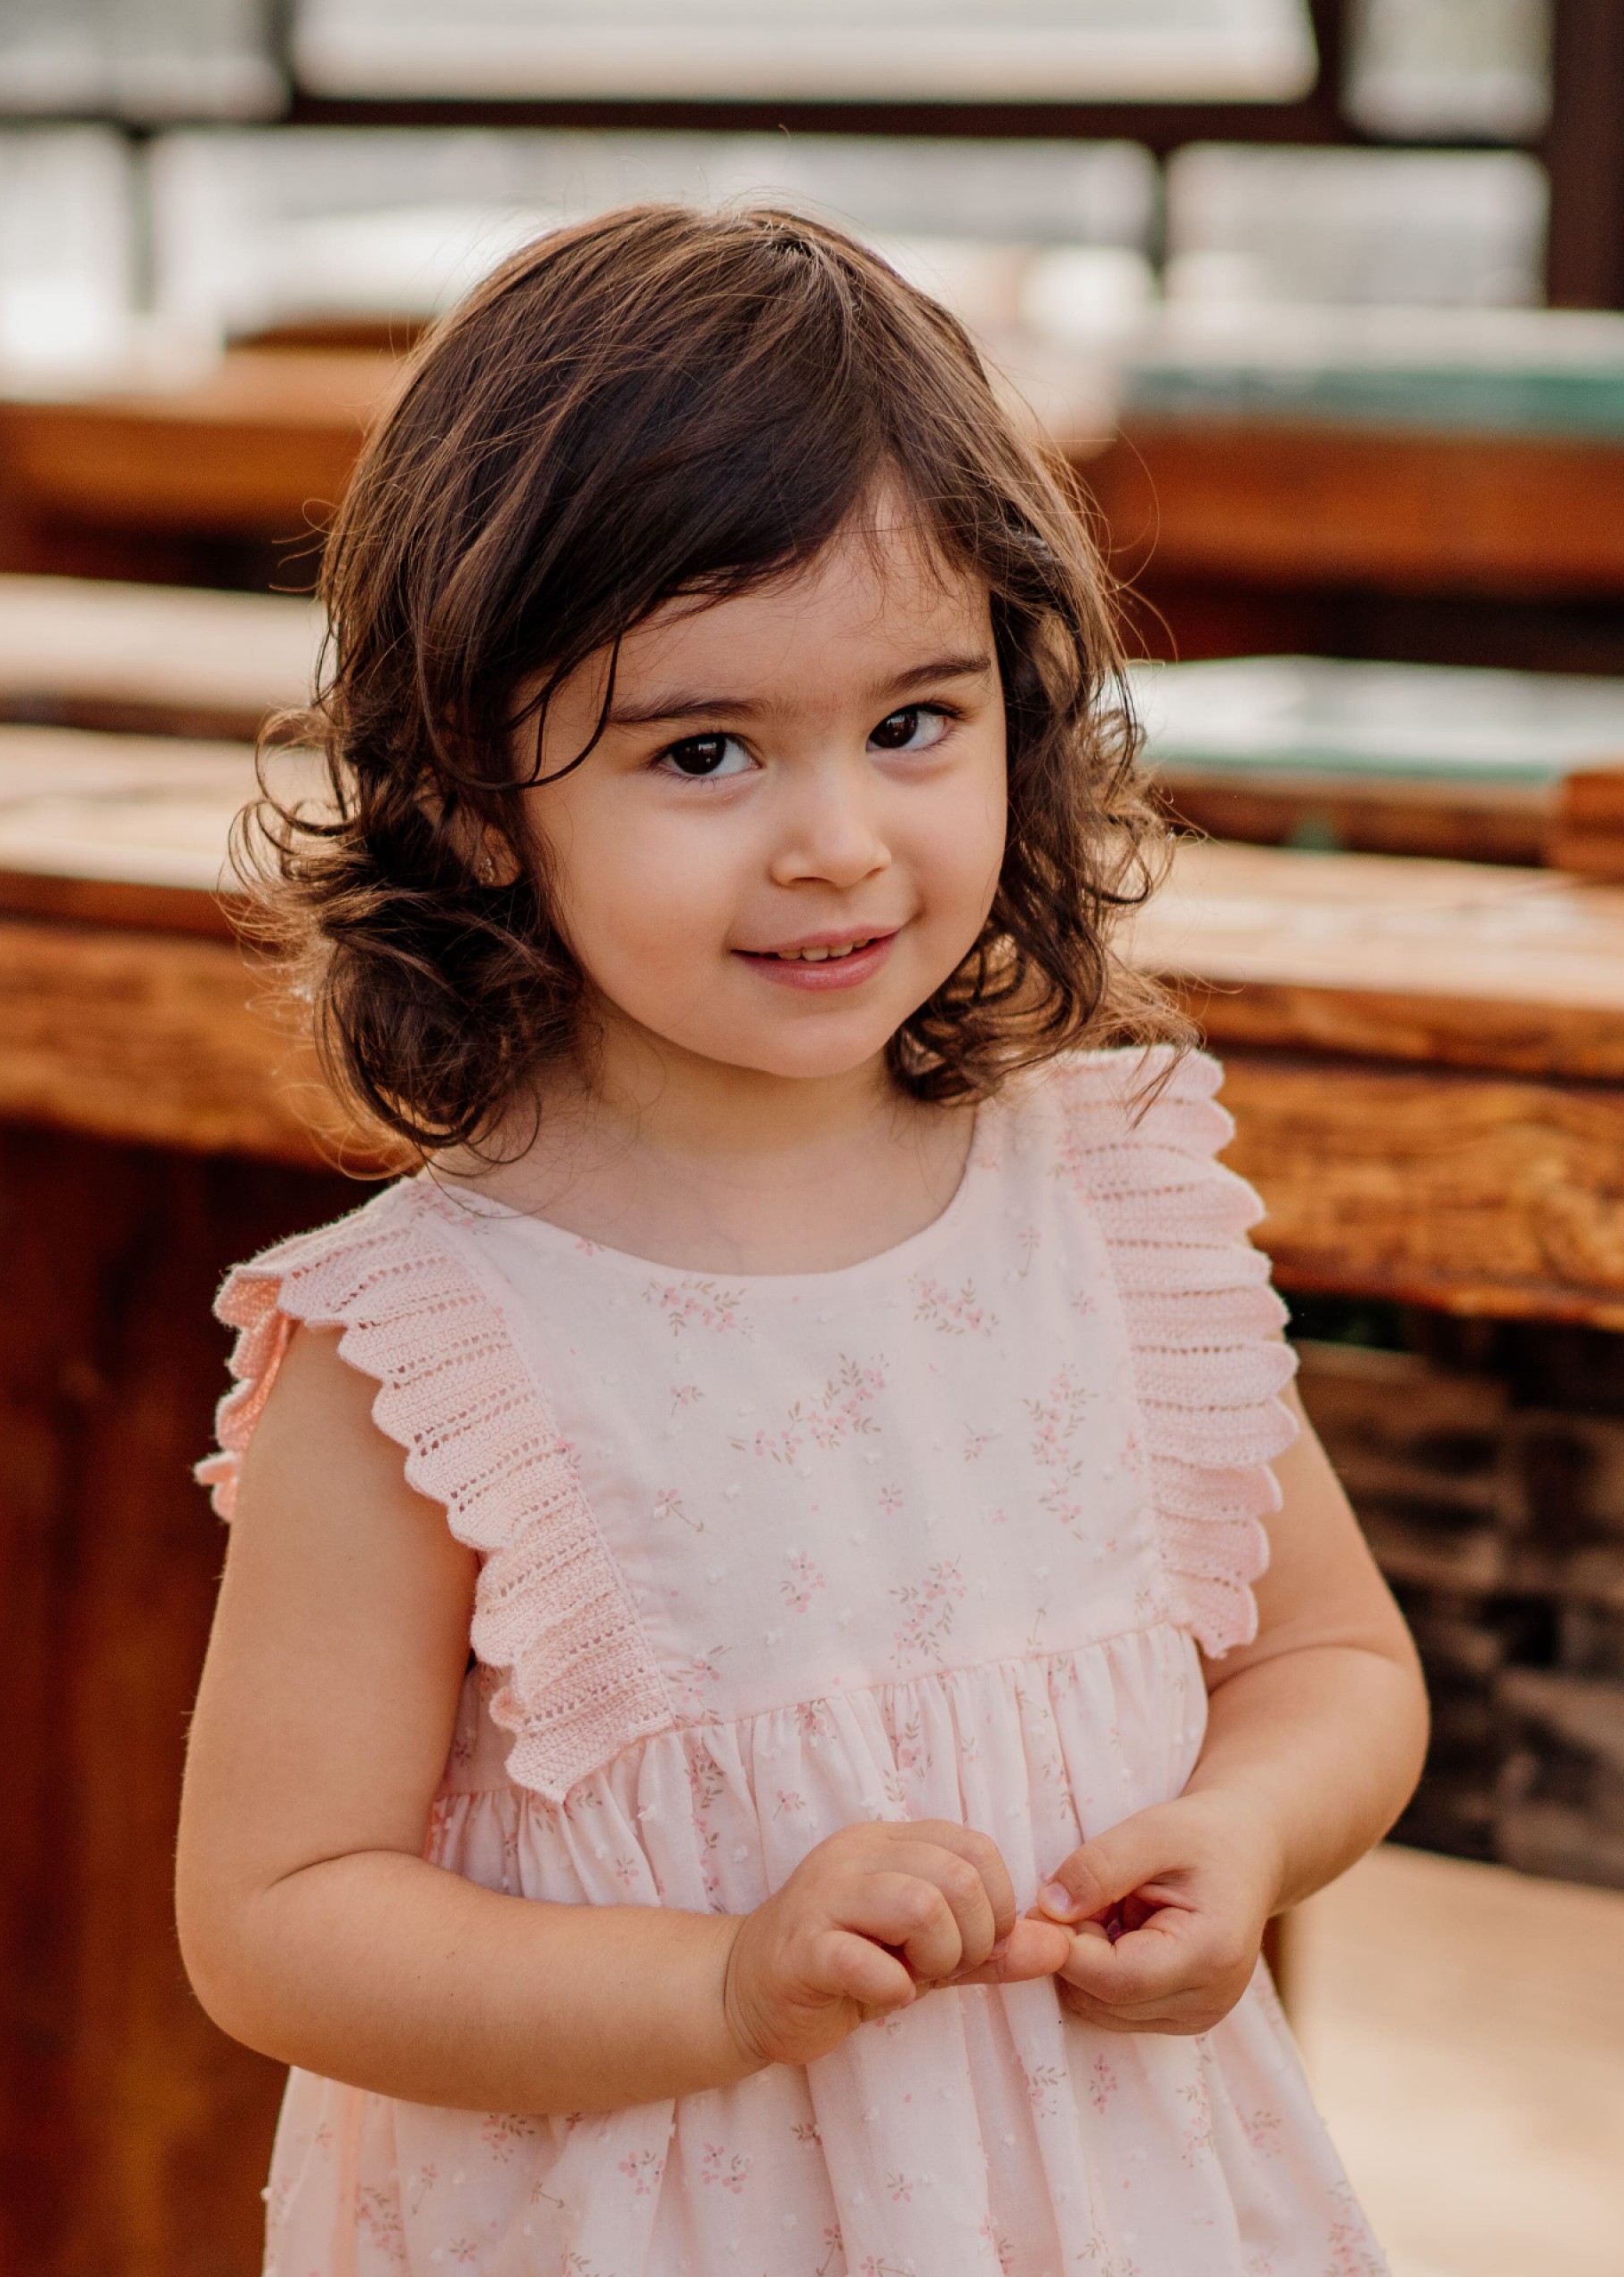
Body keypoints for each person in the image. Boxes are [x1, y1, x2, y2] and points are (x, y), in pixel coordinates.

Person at [175, 204, 1427, 2277]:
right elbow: (276, 1912)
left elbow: (1332, 1660)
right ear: (477, 793)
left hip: (1113, 2198)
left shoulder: (1111, 1216)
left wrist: (1247, 1829)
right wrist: (721, 1986)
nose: (836, 836)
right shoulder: (435, 1352)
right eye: (705, 750)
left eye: (914, 722)